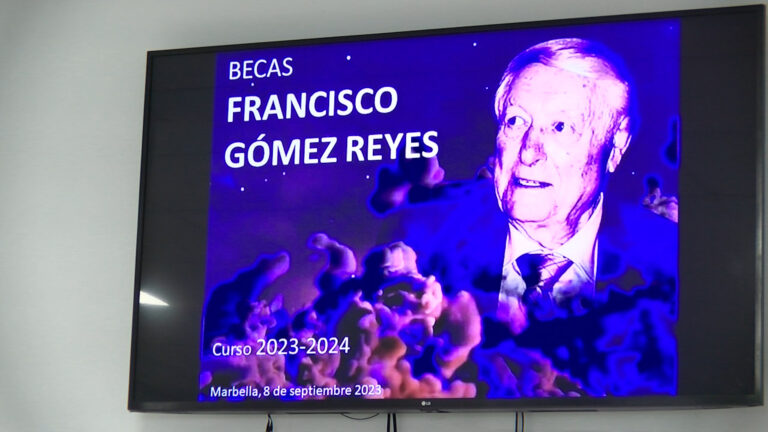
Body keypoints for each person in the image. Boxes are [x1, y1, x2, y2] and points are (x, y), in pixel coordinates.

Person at [490, 38, 634, 326]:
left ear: (617, 143)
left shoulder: (673, 260)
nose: (529, 152)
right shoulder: (419, 244)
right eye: (515, 121)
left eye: (560, 127)